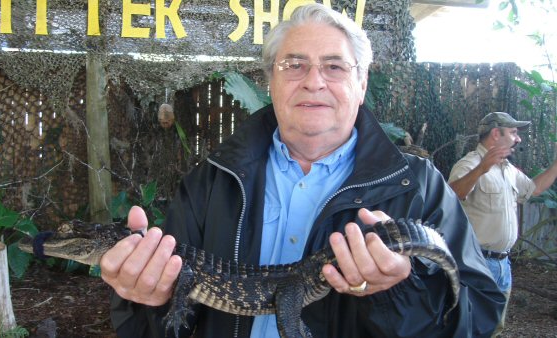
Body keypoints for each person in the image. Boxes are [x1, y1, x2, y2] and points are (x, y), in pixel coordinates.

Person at [101, 4, 504, 337]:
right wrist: (145, 298)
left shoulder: (418, 186)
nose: (314, 81)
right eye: (293, 65)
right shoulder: (210, 181)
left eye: (335, 66)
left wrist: (399, 290)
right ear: (270, 82)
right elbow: (156, 326)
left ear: (361, 84)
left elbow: (478, 318)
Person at [448, 111, 557, 336]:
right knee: (471, 326)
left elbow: (533, 189)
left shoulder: (507, 168)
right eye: (514, 132)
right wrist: (481, 169)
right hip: (477, 262)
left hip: (503, 264)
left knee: (495, 327)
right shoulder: (470, 163)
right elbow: (451, 195)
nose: (519, 138)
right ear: (496, 133)